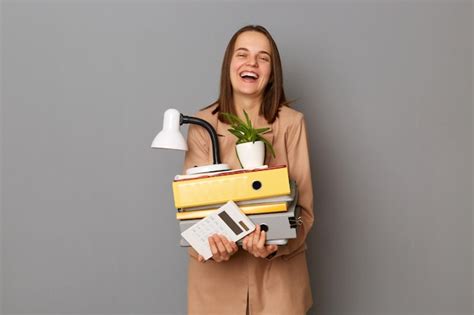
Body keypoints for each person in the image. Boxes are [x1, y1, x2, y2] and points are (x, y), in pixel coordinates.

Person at [183, 25, 314, 315]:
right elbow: (192, 214)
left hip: (279, 288)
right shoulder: (202, 126)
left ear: (272, 72)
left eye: (262, 57)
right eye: (242, 54)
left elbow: (304, 212)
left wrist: (275, 246)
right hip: (215, 292)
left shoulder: (292, 124)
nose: (251, 63)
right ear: (229, 64)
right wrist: (210, 242)